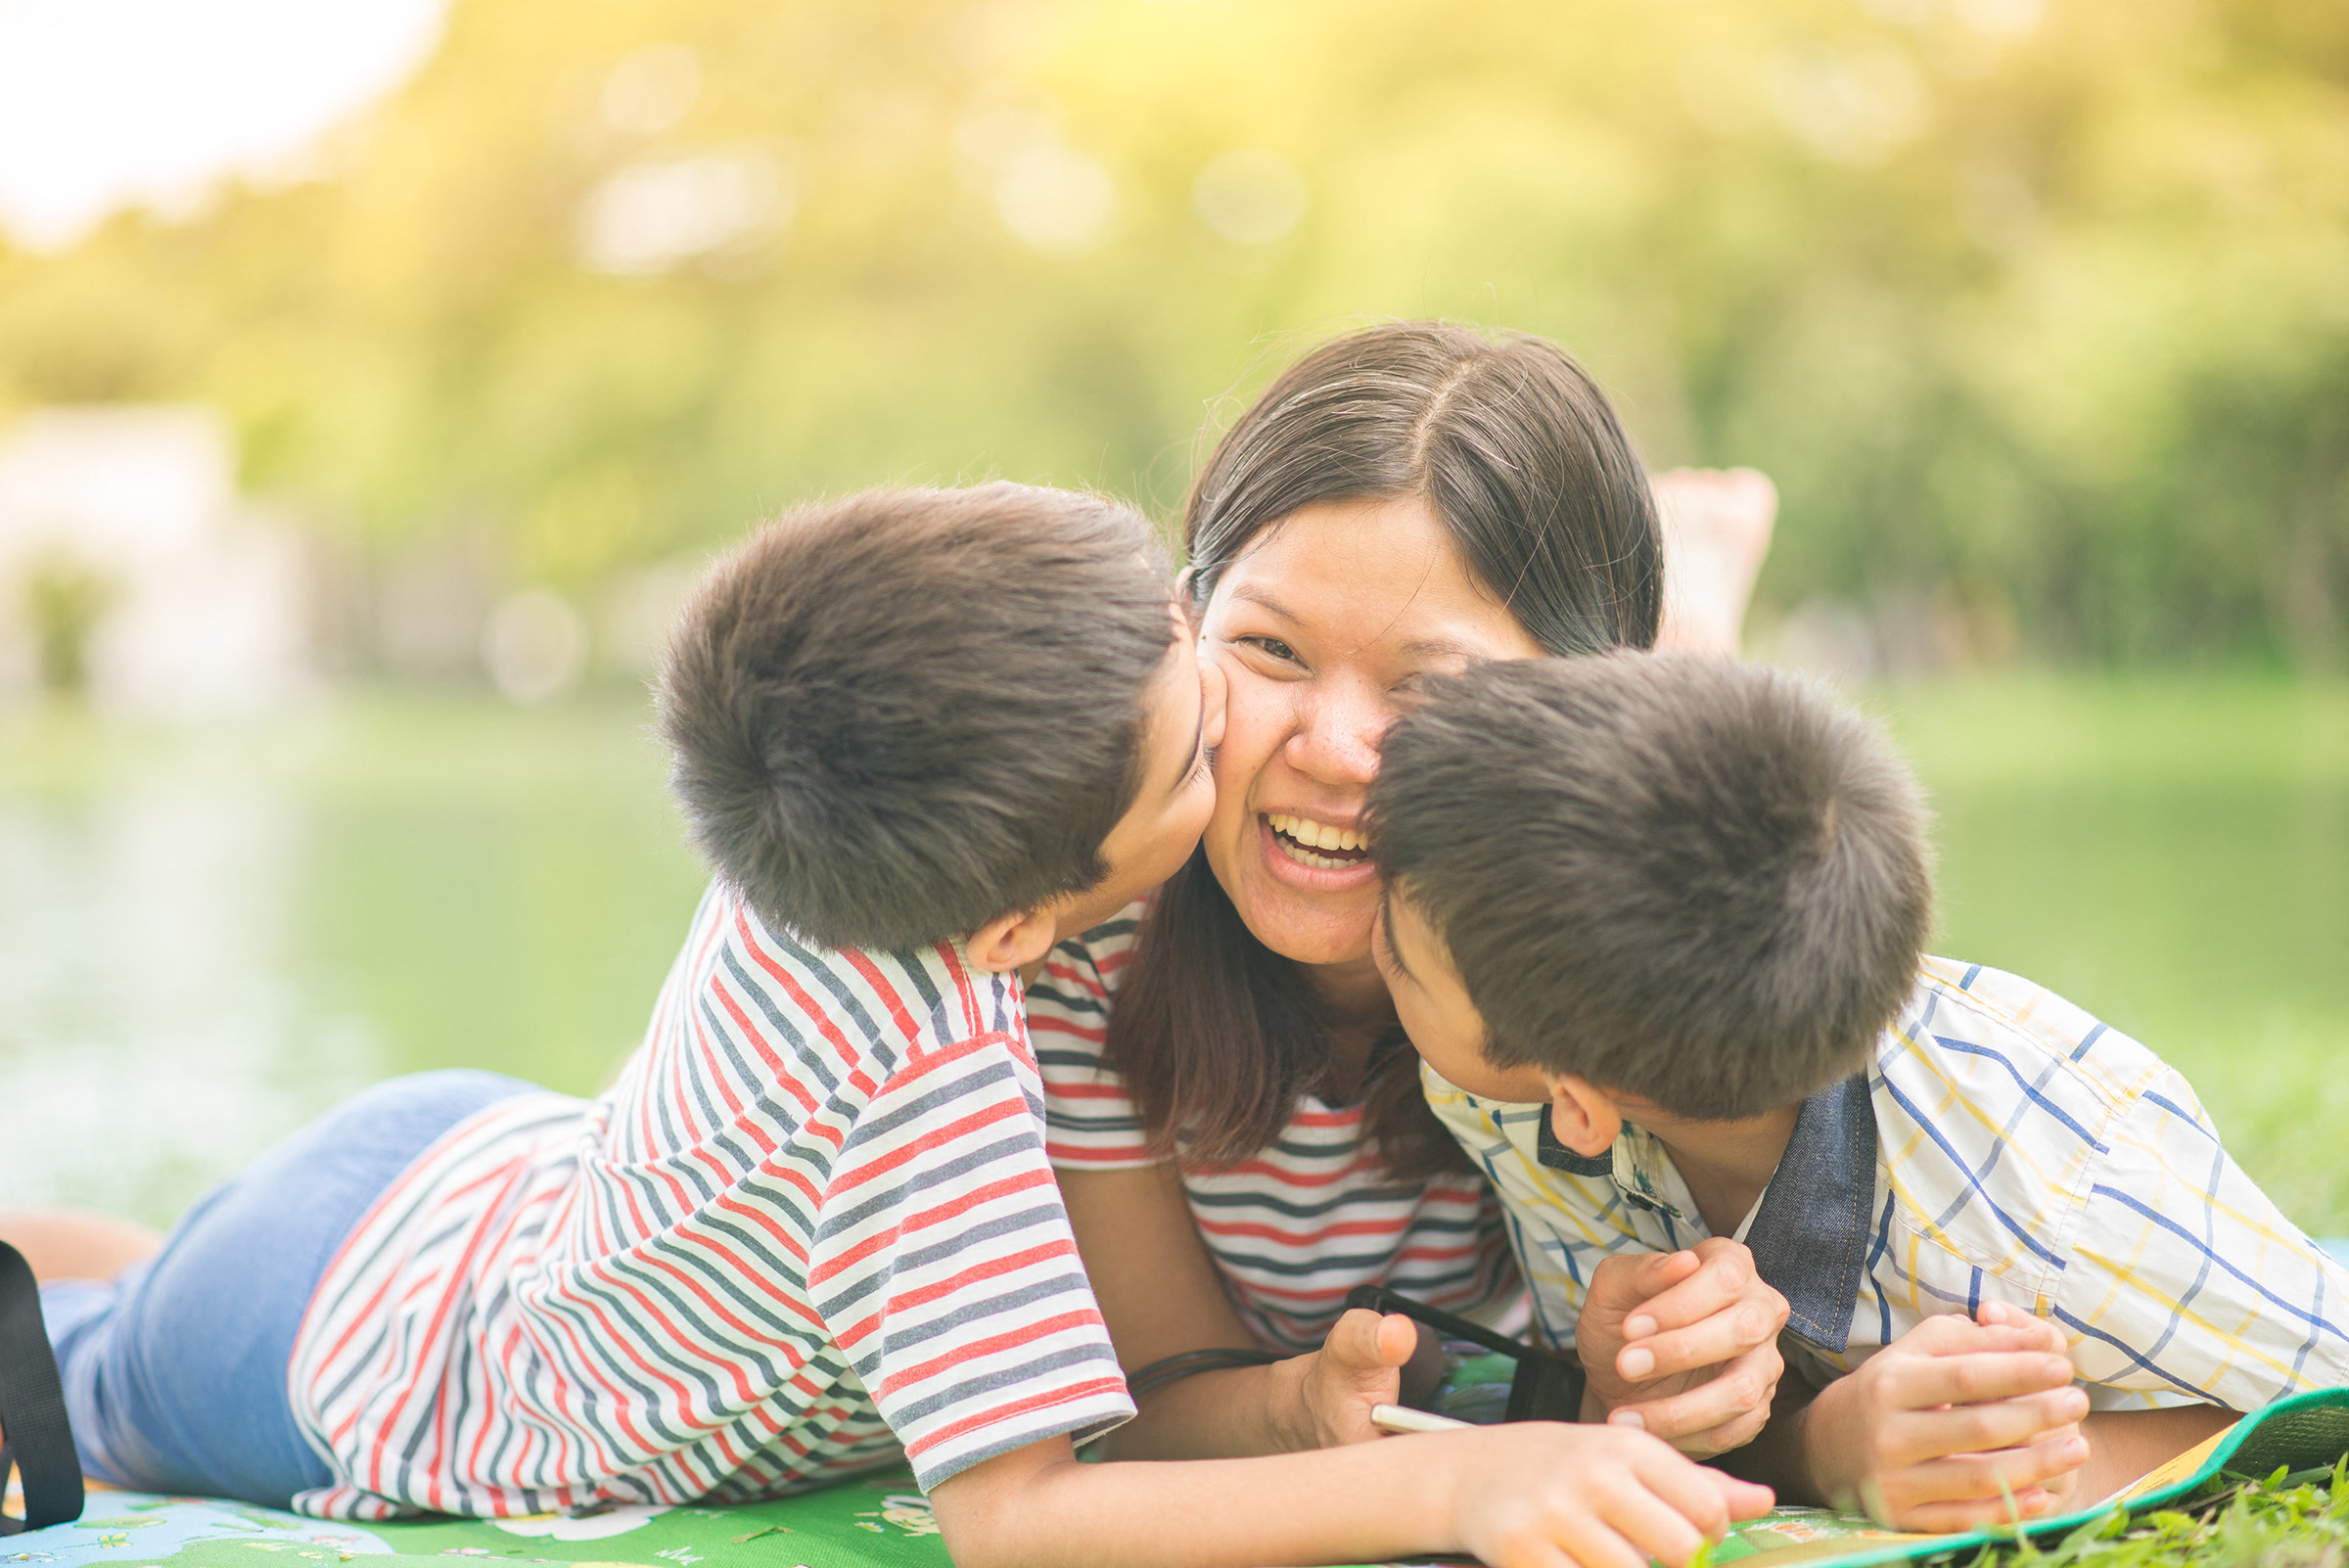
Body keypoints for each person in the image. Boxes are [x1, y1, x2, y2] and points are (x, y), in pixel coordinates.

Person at [7, 484, 1772, 1568]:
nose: (1238, 732)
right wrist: (1456, 1492)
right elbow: (1021, 1521)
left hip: (476, 1175)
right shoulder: (917, 1081)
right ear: (1013, 927)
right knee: (71, 1374)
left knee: (149, 1262)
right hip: (360, 1347)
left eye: (1175, 632)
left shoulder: (861, 767)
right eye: (1189, 755)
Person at [1030, 320, 1792, 1462]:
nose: (1334, 750)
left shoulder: (1623, 954)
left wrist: (1708, 1369)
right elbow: (1158, 1396)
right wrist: (1297, 1410)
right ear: (1185, 621)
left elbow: (1744, 1354)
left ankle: (1691, 643)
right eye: (1271, 650)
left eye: (1431, 689)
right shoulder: (1091, 926)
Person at [1363, 650, 2349, 1530]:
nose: (1372, 945)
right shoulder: (1507, 1094)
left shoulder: (2058, 1197)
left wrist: (2048, 1464)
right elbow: (1681, 1438)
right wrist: (1791, 1440)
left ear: (1577, 1097)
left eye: (1400, 958)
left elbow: (2327, 1382)